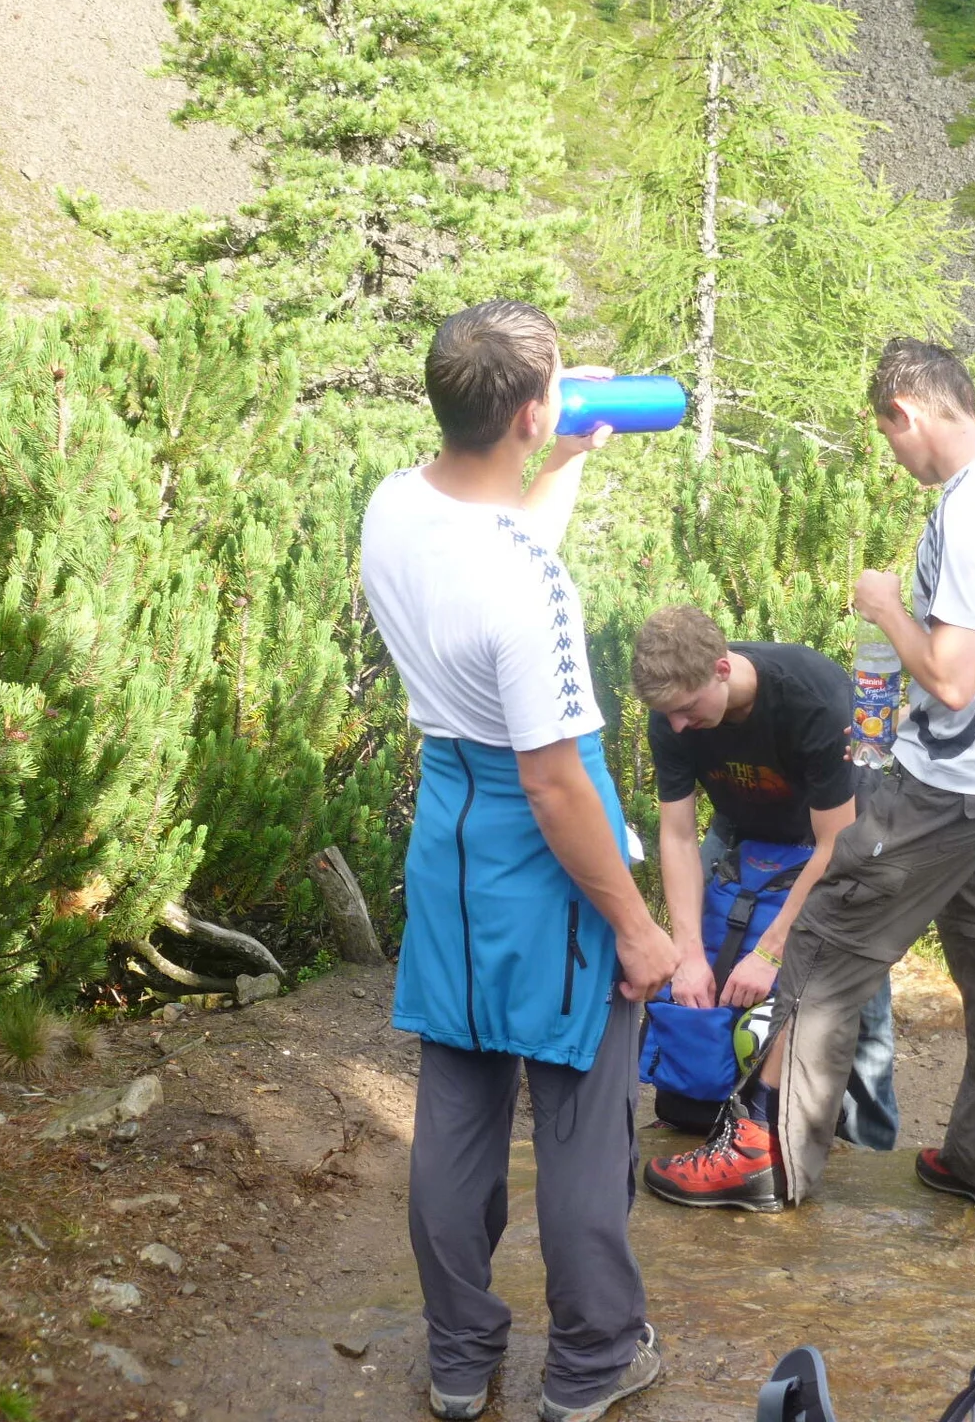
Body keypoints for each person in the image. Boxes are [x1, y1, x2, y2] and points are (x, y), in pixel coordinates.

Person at [643, 338, 975, 1217]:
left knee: (822, 946)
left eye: (889, 437)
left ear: (907, 413)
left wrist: (883, 609)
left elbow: (951, 677)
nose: (896, 457)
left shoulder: (970, 507)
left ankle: (763, 1155)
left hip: (950, 779)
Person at [360, 300, 679, 1422]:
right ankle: (592, 1360)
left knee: (456, 1102)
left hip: (446, 828)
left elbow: (501, 540)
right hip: (538, 846)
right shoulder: (529, 588)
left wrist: (570, 462)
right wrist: (639, 927)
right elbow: (556, 782)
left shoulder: (397, 507)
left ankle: (458, 1360)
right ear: (532, 410)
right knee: (584, 1109)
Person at [630, 605, 899, 1154]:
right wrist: (687, 954)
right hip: (740, 826)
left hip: (837, 832)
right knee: (708, 958)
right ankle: (705, 1109)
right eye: (668, 715)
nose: (677, 725)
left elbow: (833, 847)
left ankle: (869, 1148)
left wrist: (773, 951)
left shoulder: (811, 699)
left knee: (848, 991)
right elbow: (679, 837)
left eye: (685, 710)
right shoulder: (673, 710)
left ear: (722, 670)